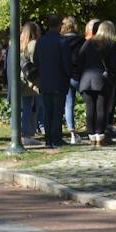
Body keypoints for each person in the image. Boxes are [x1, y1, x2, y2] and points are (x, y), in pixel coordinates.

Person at [74, 21, 116, 147]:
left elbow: (80, 60)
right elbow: (114, 65)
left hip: (86, 79)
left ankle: (92, 136)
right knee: (101, 108)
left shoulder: (88, 42)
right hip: (102, 80)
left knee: (90, 109)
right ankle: (100, 136)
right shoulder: (111, 44)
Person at [34, 17, 72, 148]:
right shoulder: (62, 42)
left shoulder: (41, 42)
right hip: (59, 81)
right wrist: (69, 74)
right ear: (59, 26)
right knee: (57, 111)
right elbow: (67, 64)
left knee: (48, 111)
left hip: (45, 81)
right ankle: (56, 138)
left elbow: (36, 61)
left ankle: (48, 138)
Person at [59, 17, 83, 144]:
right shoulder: (81, 40)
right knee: (90, 102)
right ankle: (94, 131)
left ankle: (72, 133)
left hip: (65, 75)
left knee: (69, 104)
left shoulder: (61, 41)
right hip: (79, 75)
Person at [16, 21, 41, 141]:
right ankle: (27, 134)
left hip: (22, 79)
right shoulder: (33, 44)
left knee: (25, 107)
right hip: (31, 81)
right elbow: (36, 62)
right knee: (29, 108)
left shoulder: (20, 44)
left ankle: (25, 133)